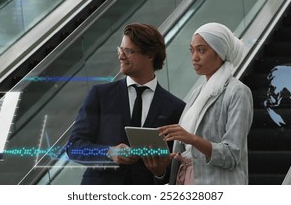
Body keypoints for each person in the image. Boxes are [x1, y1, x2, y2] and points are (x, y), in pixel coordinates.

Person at [66, 23, 185, 185]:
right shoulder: (100, 95)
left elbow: (175, 165)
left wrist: (160, 171)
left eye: (128, 51)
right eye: (120, 50)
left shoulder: (175, 107)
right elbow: (74, 147)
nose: (121, 56)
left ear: (150, 55)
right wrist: (109, 152)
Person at [153, 22, 253, 185]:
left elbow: (232, 155)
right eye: (192, 50)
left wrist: (192, 139)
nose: (194, 57)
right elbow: (190, 151)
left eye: (201, 50)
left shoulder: (238, 92)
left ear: (220, 53)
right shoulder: (197, 93)